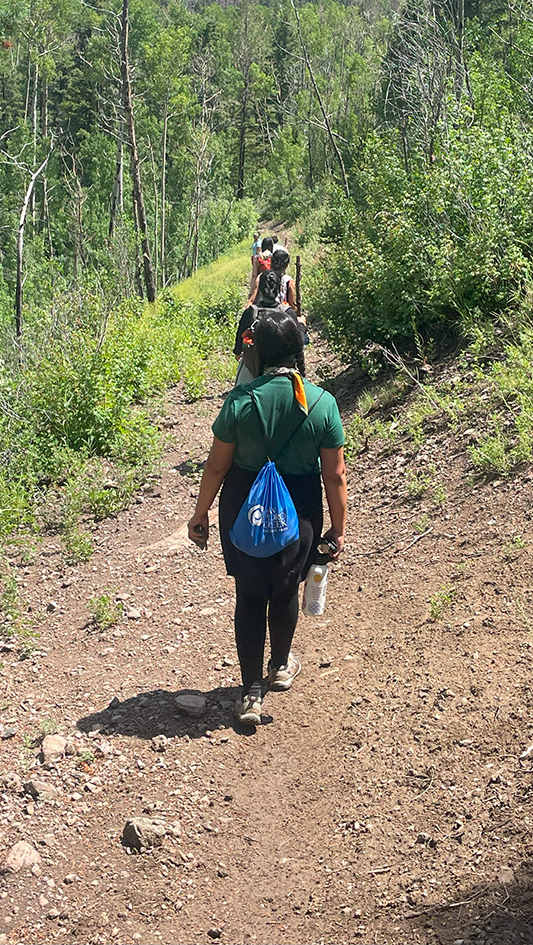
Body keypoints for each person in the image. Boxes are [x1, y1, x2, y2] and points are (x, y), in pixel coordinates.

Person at [188, 308, 347, 727]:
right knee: (286, 587)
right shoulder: (322, 403)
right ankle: (279, 665)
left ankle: (250, 693)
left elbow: (216, 467)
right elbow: (334, 475)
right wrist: (338, 529)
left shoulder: (240, 401)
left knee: (249, 595)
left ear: (257, 352)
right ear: (297, 351)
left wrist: (201, 513)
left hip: (245, 507)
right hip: (300, 509)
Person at [232, 271, 288, 385]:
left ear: (260, 290)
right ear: (279, 289)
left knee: (240, 390)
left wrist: (237, 351)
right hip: (281, 365)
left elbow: (240, 334)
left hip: (254, 362)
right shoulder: (287, 313)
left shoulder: (250, 312)